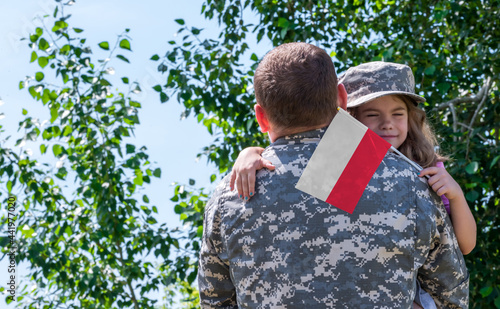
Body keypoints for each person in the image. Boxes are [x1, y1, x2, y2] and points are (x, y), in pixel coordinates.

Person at [198, 44, 469, 308]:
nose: (387, 124)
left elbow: (215, 301)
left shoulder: (231, 193)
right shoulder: (412, 183)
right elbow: (452, 296)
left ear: (261, 117)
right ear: (342, 99)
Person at [230, 61, 477, 256]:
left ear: (411, 118)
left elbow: (465, 246)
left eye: (398, 113)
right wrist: (251, 152)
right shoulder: (340, 156)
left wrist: (456, 196)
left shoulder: (427, 165)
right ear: (351, 117)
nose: (387, 124)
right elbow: (291, 161)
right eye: (372, 114)